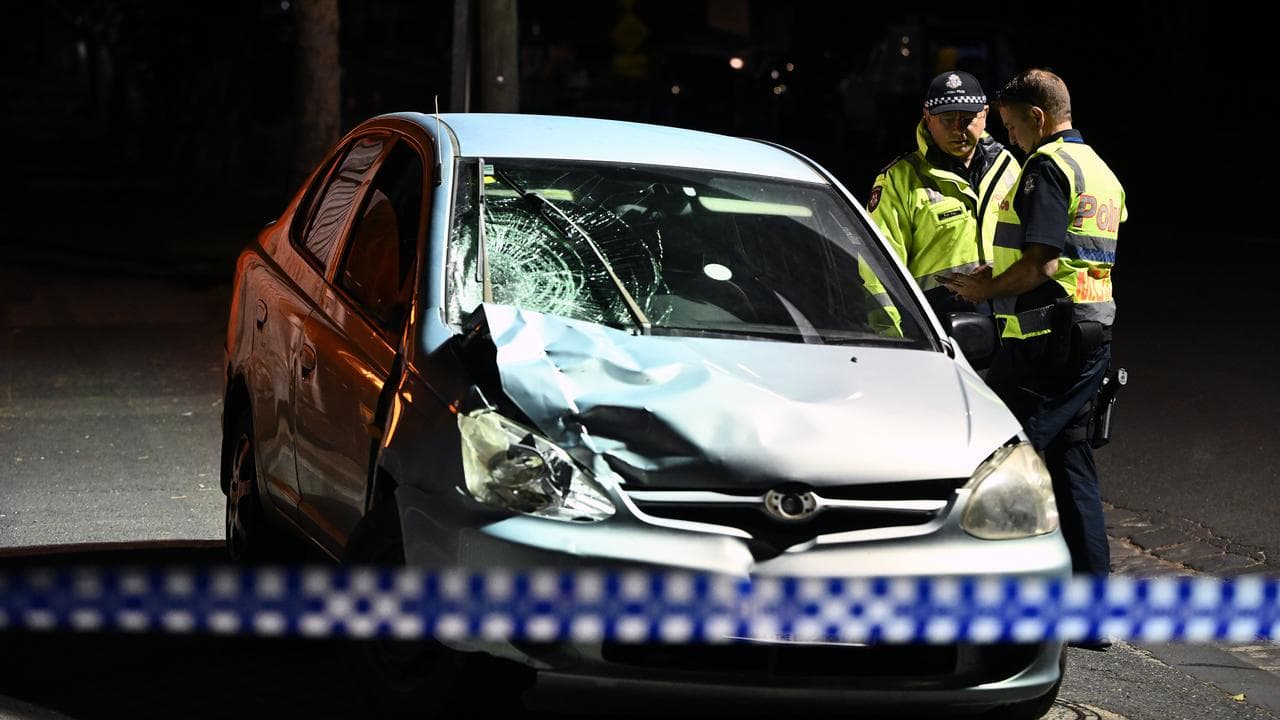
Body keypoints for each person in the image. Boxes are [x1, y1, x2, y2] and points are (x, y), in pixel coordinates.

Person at [942, 69, 1126, 585]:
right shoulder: (1099, 169)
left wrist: (984, 290)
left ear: (1038, 117)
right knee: (1072, 465)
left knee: (994, 458)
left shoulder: (1045, 166)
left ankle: (984, 584)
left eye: (1012, 125)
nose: (1011, 137)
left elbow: (1041, 264)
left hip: (1046, 343)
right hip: (1093, 336)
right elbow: (1080, 256)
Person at [866, 70, 1020, 322]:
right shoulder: (899, 180)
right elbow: (878, 270)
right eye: (947, 119)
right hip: (938, 327)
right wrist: (890, 333)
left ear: (984, 114)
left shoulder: (1009, 168)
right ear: (928, 118)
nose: (959, 129)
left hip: (1009, 325)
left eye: (968, 118)